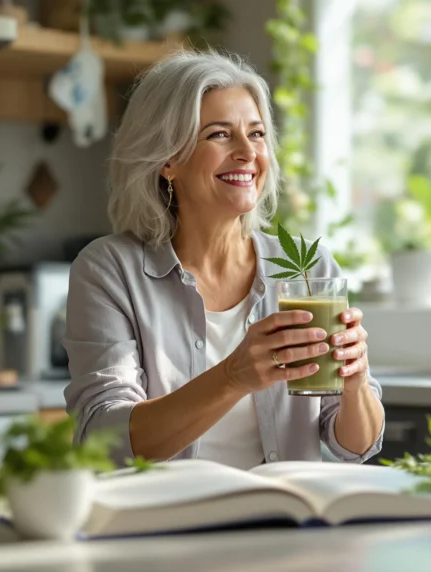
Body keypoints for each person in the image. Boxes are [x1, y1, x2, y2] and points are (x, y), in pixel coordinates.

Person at [63, 50, 385, 469]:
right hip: (164, 526)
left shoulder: (308, 270)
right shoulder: (110, 271)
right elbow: (104, 439)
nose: (247, 153)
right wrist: (233, 377)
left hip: (284, 523)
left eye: (256, 134)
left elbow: (355, 448)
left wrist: (356, 384)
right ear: (167, 159)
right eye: (219, 134)